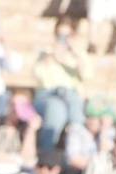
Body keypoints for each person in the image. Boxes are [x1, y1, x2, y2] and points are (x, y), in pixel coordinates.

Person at [33, 18, 92, 154]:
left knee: (58, 108)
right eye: (60, 35)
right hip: (47, 96)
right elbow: (40, 77)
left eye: (67, 36)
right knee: (60, 101)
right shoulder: (46, 53)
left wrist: (73, 55)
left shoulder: (78, 55)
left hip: (69, 100)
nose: (63, 39)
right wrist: (51, 58)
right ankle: (49, 154)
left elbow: (87, 74)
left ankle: (67, 149)